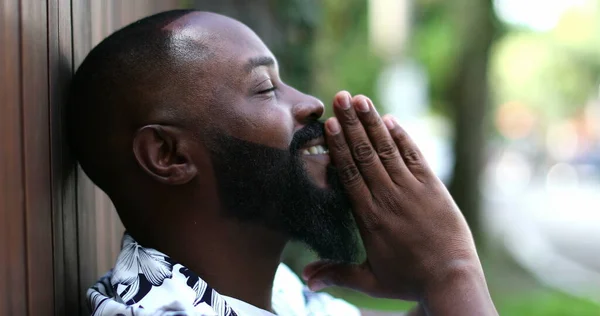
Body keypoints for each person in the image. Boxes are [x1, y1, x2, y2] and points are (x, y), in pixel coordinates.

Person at [67, 9, 497, 316]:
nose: (310, 104)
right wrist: (452, 274)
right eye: (264, 88)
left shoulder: (274, 290)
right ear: (170, 155)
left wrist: (428, 287)